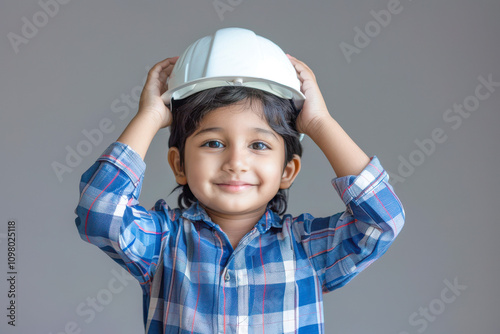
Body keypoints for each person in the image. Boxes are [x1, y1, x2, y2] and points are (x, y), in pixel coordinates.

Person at [75, 27, 405, 333]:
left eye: (258, 145)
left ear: (287, 171)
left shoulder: (308, 248)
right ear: (179, 165)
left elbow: (382, 220)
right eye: (213, 143)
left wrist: (320, 122)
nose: (235, 162)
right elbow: (99, 211)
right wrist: (149, 116)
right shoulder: (163, 242)